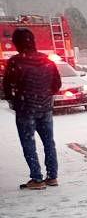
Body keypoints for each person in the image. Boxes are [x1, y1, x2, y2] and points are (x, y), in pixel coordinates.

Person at [3, 28, 62, 190]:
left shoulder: (16, 61)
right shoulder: (46, 60)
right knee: (49, 142)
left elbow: (7, 86)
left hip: (25, 109)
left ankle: (37, 179)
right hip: (45, 108)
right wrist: (45, 94)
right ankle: (52, 176)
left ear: (17, 43)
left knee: (28, 143)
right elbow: (57, 83)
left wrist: (15, 99)